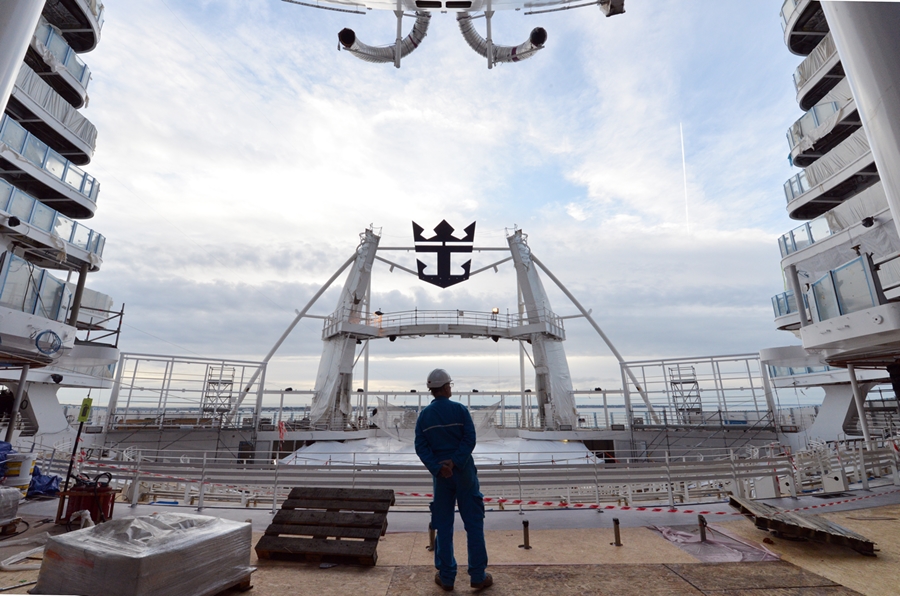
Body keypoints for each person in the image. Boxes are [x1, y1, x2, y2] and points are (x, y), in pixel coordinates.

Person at [414, 369, 492, 592]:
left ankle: (446, 576)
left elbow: (421, 446)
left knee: (444, 525)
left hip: (441, 477)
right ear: (447, 387)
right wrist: (455, 462)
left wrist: (438, 467)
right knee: (474, 523)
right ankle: (478, 575)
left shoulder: (424, 416)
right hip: (464, 473)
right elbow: (470, 439)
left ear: (431, 390)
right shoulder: (459, 410)